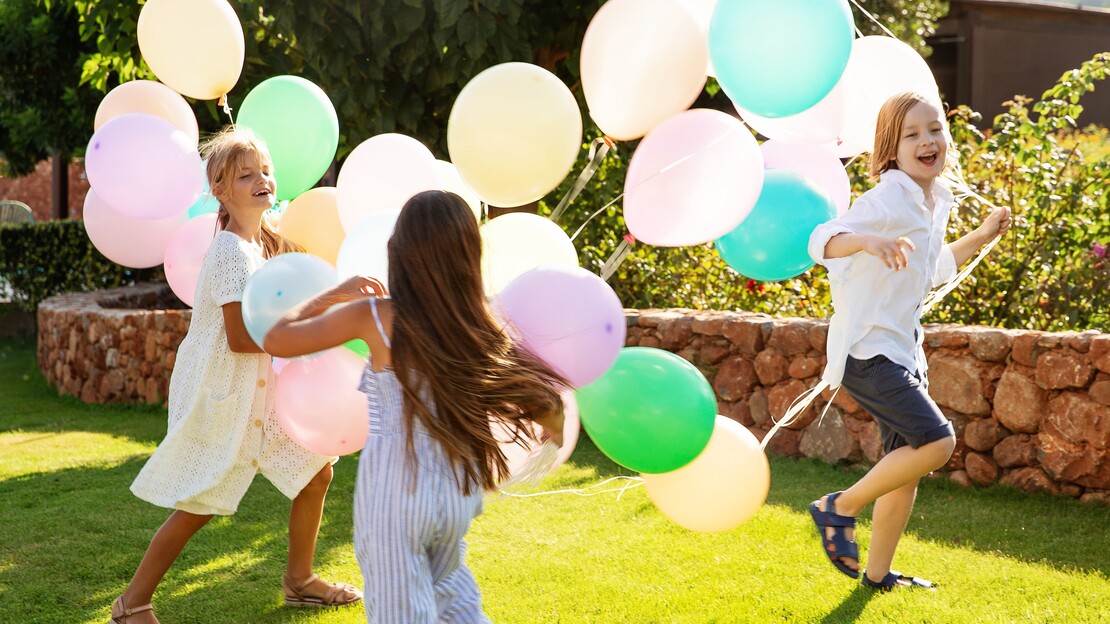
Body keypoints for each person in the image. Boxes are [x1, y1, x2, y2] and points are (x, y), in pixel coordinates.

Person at [264, 190, 567, 623]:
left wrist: (333, 295)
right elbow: (540, 403)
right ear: (467, 254)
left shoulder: (376, 317)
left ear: (401, 251)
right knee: (456, 602)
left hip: (395, 499)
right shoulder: (478, 326)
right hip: (454, 495)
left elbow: (277, 338)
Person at [110, 127, 362, 623]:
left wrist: (334, 296)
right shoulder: (228, 251)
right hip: (223, 393)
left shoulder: (259, 246)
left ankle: (300, 580)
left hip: (256, 391)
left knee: (317, 468)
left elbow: (281, 313)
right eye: (246, 175)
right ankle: (130, 604)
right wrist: (329, 319)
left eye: (265, 171)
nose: (261, 179)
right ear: (221, 191)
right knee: (202, 501)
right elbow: (241, 339)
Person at [806, 92, 1012, 591]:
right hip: (868, 351)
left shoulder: (932, 199)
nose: (927, 141)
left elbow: (933, 268)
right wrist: (867, 240)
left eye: (934, 129)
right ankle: (839, 506)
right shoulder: (889, 197)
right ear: (891, 150)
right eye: (911, 135)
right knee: (938, 442)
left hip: (899, 349)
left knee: (906, 468)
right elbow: (821, 240)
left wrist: (982, 234)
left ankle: (877, 577)